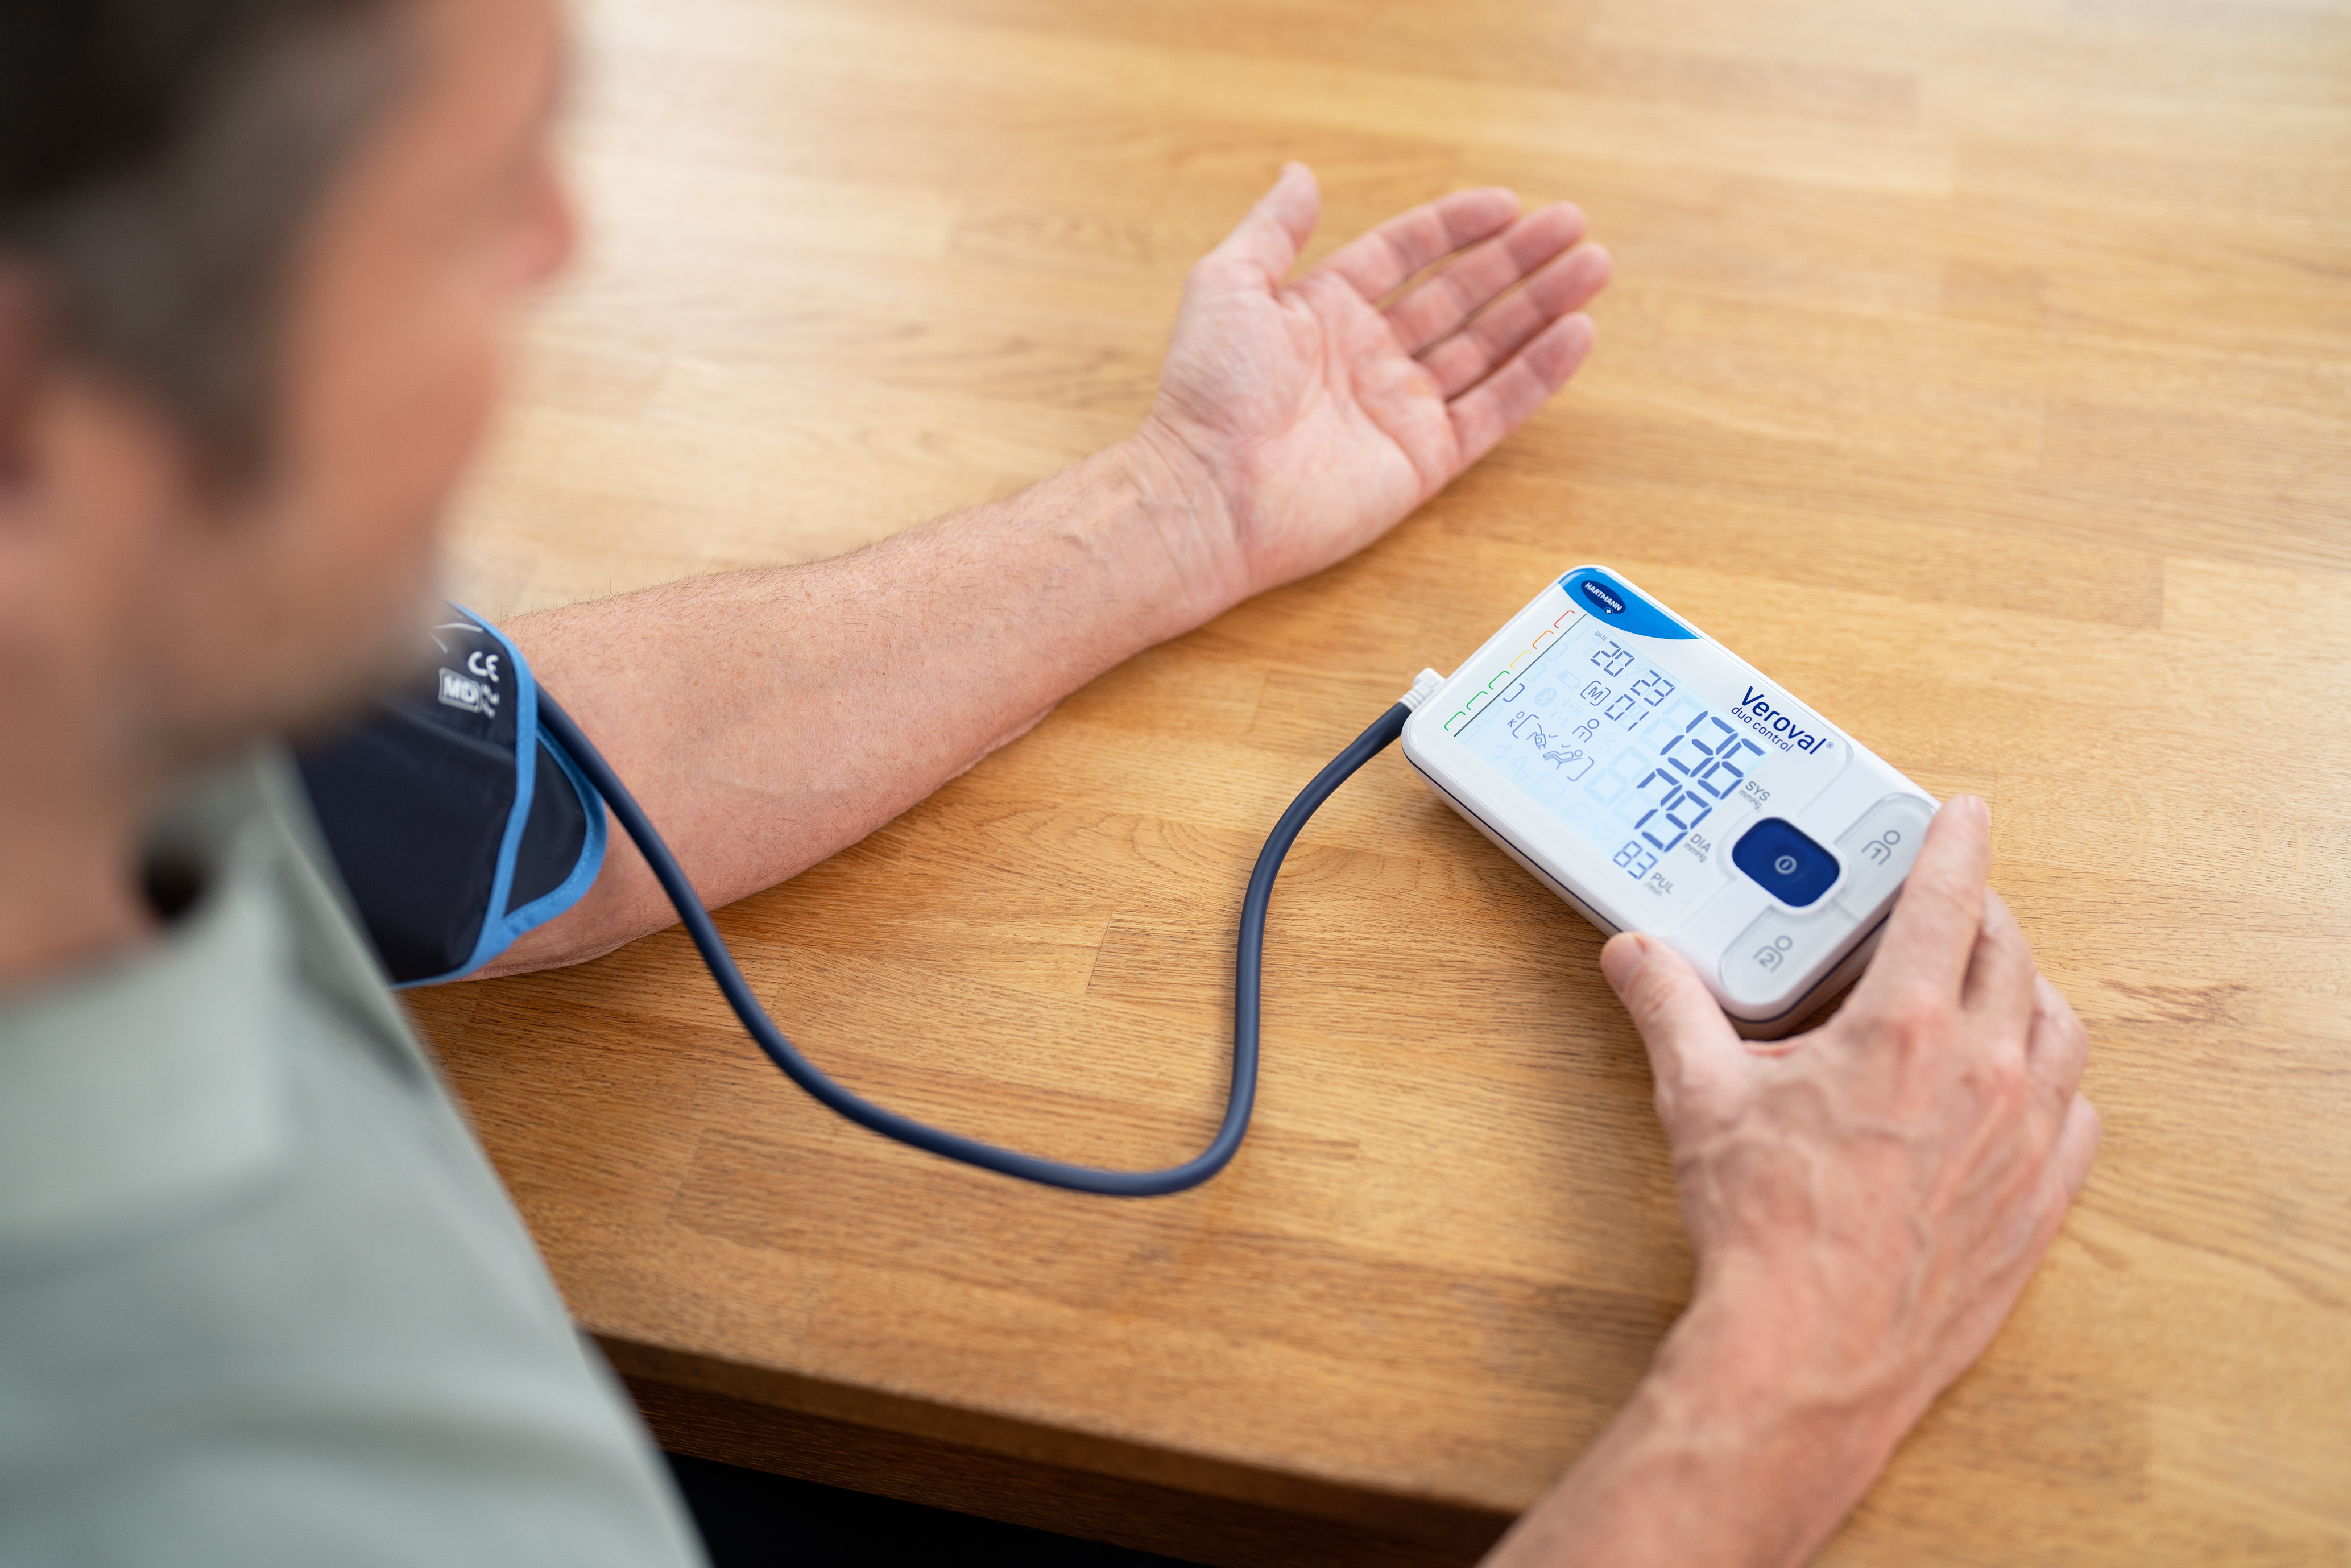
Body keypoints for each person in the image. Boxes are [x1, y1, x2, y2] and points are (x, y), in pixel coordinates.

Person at [0, 0, 2100, 1562]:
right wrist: (1798, 1370)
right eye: (460, 208)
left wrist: (1185, 506)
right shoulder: (208, 1455)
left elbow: (520, 804)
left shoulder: (133, 681)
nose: (558, 250)